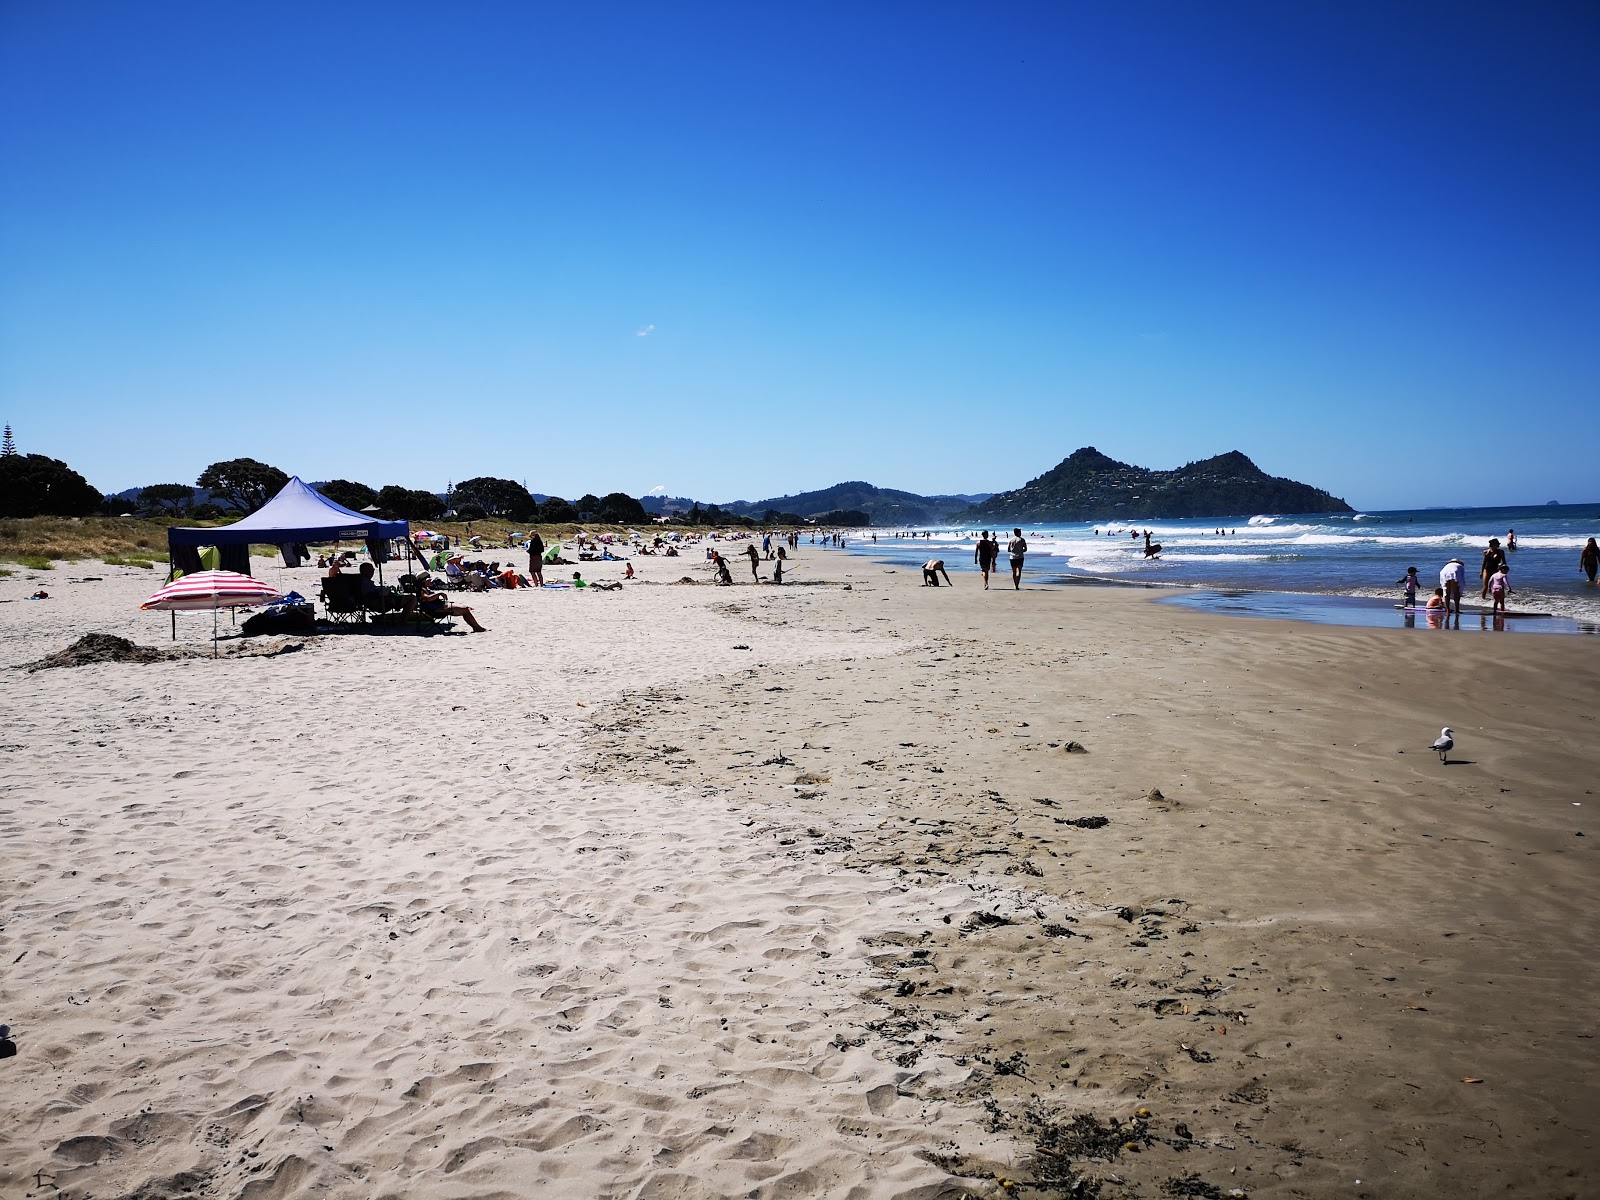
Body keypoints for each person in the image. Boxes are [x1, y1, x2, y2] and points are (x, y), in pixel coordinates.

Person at [417, 575, 487, 632]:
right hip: (435, 610)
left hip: (439, 606)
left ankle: (477, 628)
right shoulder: (421, 590)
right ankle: (477, 628)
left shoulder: (426, 588)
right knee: (465, 610)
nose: (430, 581)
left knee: (465, 608)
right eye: (428, 580)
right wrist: (439, 594)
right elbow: (428, 598)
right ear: (424, 581)